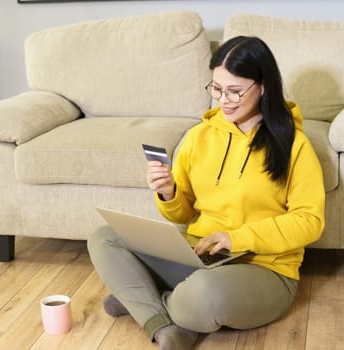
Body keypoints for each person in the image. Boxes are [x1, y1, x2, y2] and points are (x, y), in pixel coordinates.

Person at [87, 36, 325, 350]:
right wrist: (168, 193)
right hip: (201, 258)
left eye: (234, 90)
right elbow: (183, 214)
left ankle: (143, 303)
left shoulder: (293, 144)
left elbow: (310, 221)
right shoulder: (198, 137)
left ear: (263, 86)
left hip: (266, 269)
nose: (223, 100)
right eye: (216, 88)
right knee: (105, 237)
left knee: (203, 295)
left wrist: (235, 238)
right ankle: (166, 325)